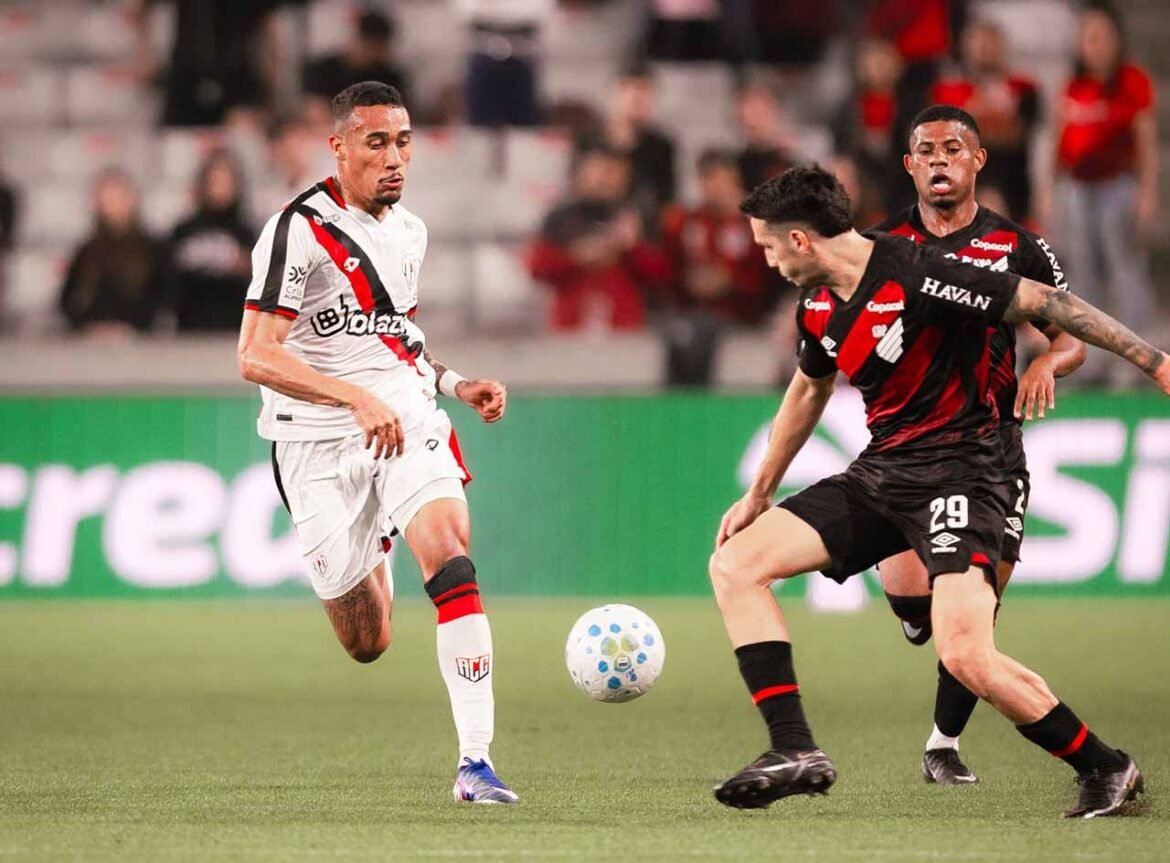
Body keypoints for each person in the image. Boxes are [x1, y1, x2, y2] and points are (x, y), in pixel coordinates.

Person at [709, 164, 1167, 817]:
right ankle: (793, 747)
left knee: (966, 652)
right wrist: (759, 492)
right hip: (885, 471)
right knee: (735, 562)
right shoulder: (816, 303)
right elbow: (810, 387)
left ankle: (1107, 766)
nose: (767, 259)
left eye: (768, 244)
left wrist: (1155, 361)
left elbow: (1048, 305)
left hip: (972, 470)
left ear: (801, 241)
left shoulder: (921, 272)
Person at [236, 82, 518, 804]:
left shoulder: (410, 232)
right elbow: (255, 356)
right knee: (367, 642)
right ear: (337, 146)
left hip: (401, 417)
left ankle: (475, 764)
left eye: (403, 141)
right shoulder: (297, 230)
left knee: (451, 552)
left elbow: (395, 344)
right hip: (314, 440)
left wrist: (455, 384)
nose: (394, 157)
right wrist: (351, 397)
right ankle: (372, 543)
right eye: (375, 142)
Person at [871, 105, 1086, 785]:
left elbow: (1071, 332)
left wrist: (1049, 361)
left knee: (976, 603)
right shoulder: (883, 246)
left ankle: (942, 743)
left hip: (992, 451)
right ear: (910, 165)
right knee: (915, 601)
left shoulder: (1018, 245)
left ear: (978, 161)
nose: (940, 160)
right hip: (908, 448)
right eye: (926, 150)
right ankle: (918, 615)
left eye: (954, 148)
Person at [1052, 1, 1158, 384]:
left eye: (1100, 36)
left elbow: (1145, 143)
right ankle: (1091, 358)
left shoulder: (1132, 81)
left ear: (1116, 39)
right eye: (1087, 37)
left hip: (1117, 189)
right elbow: (1057, 144)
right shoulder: (1073, 85)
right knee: (1081, 276)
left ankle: (1141, 356)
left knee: (1125, 270)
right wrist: (1050, 193)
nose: (1093, 44)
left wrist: (1147, 195)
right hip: (1078, 191)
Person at [659, 150, 783, 384]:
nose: (712, 188)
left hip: (742, 313)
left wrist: (730, 281)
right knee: (678, 332)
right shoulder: (688, 221)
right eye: (706, 180)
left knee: (701, 334)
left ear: (734, 180)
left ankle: (701, 403)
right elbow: (672, 269)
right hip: (693, 311)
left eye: (718, 179)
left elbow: (771, 277)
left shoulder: (756, 224)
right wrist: (690, 281)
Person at [526, 144, 670, 331]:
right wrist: (576, 256)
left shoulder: (639, 217)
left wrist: (633, 248)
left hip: (624, 330)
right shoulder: (559, 217)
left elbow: (661, 275)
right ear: (582, 173)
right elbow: (537, 268)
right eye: (600, 170)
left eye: (615, 172)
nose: (606, 179)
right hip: (570, 329)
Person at [930, 20, 1041, 222]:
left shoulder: (1023, 88)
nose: (985, 49)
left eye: (991, 42)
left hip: (1012, 184)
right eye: (978, 42)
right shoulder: (947, 91)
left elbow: (1022, 135)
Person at [59, 168, 165, 336]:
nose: (109, 205)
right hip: (91, 342)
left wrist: (132, 328)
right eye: (105, 199)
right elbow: (67, 301)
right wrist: (88, 327)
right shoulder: (87, 250)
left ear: (130, 199)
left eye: (115, 198)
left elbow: (161, 299)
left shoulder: (153, 249)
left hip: (140, 345)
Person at [167, 149, 255, 332]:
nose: (219, 188)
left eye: (226, 182)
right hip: (189, 330)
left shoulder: (247, 233)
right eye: (214, 181)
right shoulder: (182, 231)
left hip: (234, 330)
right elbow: (169, 281)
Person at [302, 10, 412, 120]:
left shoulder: (389, 76)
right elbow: (317, 113)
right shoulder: (323, 70)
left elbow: (398, 117)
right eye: (372, 44)